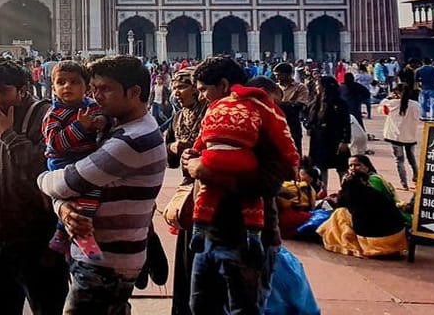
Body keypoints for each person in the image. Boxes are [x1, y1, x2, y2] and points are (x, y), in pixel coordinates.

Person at [38, 56, 166, 315]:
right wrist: (63, 208)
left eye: (105, 89)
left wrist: (42, 180)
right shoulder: (128, 126)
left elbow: (66, 183)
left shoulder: (131, 141)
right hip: (110, 257)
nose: (97, 96)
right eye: (94, 89)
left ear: (134, 92)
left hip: (106, 263)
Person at [182, 57, 298, 315]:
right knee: (201, 306)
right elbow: (198, 162)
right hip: (210, 233)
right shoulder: (216, 115)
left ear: (224, 85)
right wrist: (189, 160)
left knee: (243, 309)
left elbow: (268, 183)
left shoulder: (262, 121)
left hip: (246, 239)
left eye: (203, 90)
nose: (200, 97)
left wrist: (205, 171)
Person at [0, 59, 66, 315]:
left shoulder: (44, 119)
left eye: (3, 90)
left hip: (34, 241)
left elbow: (46, 171)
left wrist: (8, 134)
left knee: (46, 305)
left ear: (22, 91)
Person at [40, 61, 106, 258]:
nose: (67, 86)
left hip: (84, 157)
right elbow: (56, 143)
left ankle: (68, 234)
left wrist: (102, 121)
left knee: (92, 195)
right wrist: (80, 126)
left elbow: (105, 117)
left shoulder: (91, 106)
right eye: (61, 82)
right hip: (62, 161)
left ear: (87, 87)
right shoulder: (53, 115)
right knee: (74, 198)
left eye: (74, 82)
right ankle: (69, 233)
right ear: (53, 88)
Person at [162, 67, 206, 315]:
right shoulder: (179, 116)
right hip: (188, 194)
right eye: (175, 87)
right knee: (187, 257)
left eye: (183, 87)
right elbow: (167, 155)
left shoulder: (210, 113)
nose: (177, 92)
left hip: (210, 192)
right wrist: (174, 147)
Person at [317, 169, 408, 258]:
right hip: (398, 237)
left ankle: (338, 241)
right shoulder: (375, 192)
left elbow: (341, 206)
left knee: (339, 214)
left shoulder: (349, 194)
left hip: (375, 242)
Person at [306, 76, 352, 191]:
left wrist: (345, 141)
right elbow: (308, 118)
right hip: (319, 140)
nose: (316, 87)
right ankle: (323, 193)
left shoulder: (339, 103)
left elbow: (346, 123)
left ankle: (346, 192)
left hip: (335, 140)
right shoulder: (315, 102)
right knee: (321, 168)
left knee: (342, 168)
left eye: (318, 85)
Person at [381, 84, 419, 191]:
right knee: (412, 159)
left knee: (399, 161)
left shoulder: (391, 103)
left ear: (397, 92)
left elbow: (382, 109)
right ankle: (417, 180)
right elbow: (418, 118)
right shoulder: (415, 105)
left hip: (395, 136)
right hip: (410, 136)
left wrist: (389, 97)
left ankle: (404, 184)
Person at [274, 63, 309, 157]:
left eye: (279, 75)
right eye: (276, 75)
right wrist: (290, 102)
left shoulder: (300, 87)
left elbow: (300, 105)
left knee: (295, 151)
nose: (277, 77)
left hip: (293, 123)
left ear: (288, 74)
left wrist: (280, 104)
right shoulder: (275, 87)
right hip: (277, 123)